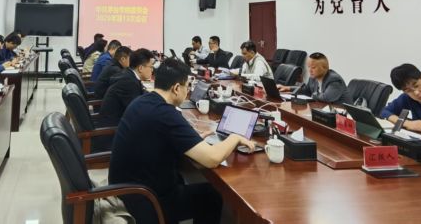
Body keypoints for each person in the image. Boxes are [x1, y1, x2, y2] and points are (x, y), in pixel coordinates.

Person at [109, 58, 254, 224]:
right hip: (145, 200)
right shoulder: (165, 114)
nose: (188, 91)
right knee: (210, 196)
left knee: (186, 177)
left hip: (128, 189)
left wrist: (193, 142)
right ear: (176, 88)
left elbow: (161, 138)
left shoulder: (144, 100)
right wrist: (235, 137)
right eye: (187, 86)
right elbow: (212, 159)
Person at [98, 48, 153, 128]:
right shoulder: (129, 82)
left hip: (118, 121)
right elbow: (137, 111)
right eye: (151, 67)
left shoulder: (129, 75)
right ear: (140, 68)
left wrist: (155, 95)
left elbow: (141, 93)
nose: (152, 70)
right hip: (112, 128)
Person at [279, 52, 345, 103]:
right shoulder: (313, 78)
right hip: (322, 111)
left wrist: (314, 95)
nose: (310, 70)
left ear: (324, 68)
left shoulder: (334, 80)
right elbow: (306, 91)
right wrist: (288, 88)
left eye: (313, 67)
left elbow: (326, 98)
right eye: (309, 67)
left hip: (341, 115)